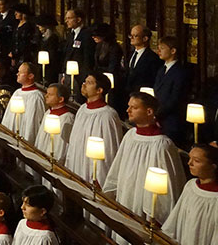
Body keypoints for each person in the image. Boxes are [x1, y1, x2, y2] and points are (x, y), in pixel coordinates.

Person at [104, 92, 184, 234]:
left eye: (133, 107)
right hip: (125, 197)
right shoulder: (130, 135)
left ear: (149, 111)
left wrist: (157, 215)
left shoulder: (162, 144)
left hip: (144, 205)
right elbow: (118, 167)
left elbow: (169, 187)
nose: (128, 110)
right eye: (129, 106)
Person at [65, 73, 123, 189]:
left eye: (89, 83)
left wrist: (101, 178)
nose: (84, 85)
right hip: (78, 162)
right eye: (84, 81)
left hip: (94, 170)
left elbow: (110, 150)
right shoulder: (82, 109)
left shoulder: (107, 115)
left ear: (99, 90)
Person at [161, 143, 218, 244]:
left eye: (196, 161)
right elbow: (175, 219)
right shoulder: (190, 186)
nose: (189, 163)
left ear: (213, 166)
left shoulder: (215, 199)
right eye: (190, 158)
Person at [153, 36, 192, 147]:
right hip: (158, 117)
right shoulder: (161, 69)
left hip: (171, 120)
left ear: (173, 51)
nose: (158, 51)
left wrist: (158, 114)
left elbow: (175, 99)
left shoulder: (180, 72)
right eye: (158, 48)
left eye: (162, 48)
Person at [0, 63, 46, 143]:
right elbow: (8, 117)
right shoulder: (17, 92)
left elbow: (33, 123)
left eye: (20, 73)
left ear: (30, 76)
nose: (17, 74)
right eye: (18, 71)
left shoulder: (36, 96)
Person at [33, 83, 74, 164]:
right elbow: (41, 137)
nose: (46, 96)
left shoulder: (67, 118)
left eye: (50, 94)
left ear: (61, 99)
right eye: (47, 93)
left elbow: (62, 145)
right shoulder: (48, 112)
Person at [61, 9, 93, 96]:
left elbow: (87, 57)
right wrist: (64, 73)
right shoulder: (70, 34)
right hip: (69, 74)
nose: (66, 21)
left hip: (80, 76)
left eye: (69, 18)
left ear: (78, 19)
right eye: (66, 18)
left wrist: (85, 78)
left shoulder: (86, 34)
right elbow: (67, 54)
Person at [123, 24, 162, 96]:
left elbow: (152, 79)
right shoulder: (130, 54)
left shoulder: (152, 58)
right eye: (130, 35)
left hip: (141, 95)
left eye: (135, 36)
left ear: (145, 38)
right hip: (126, 94)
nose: (131, 38)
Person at [34, 15, 62, 84]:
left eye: (40, 26)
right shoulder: (42, 37)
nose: (39, 28)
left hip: (50, 67)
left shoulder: (53, 38)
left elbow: (53, 54)